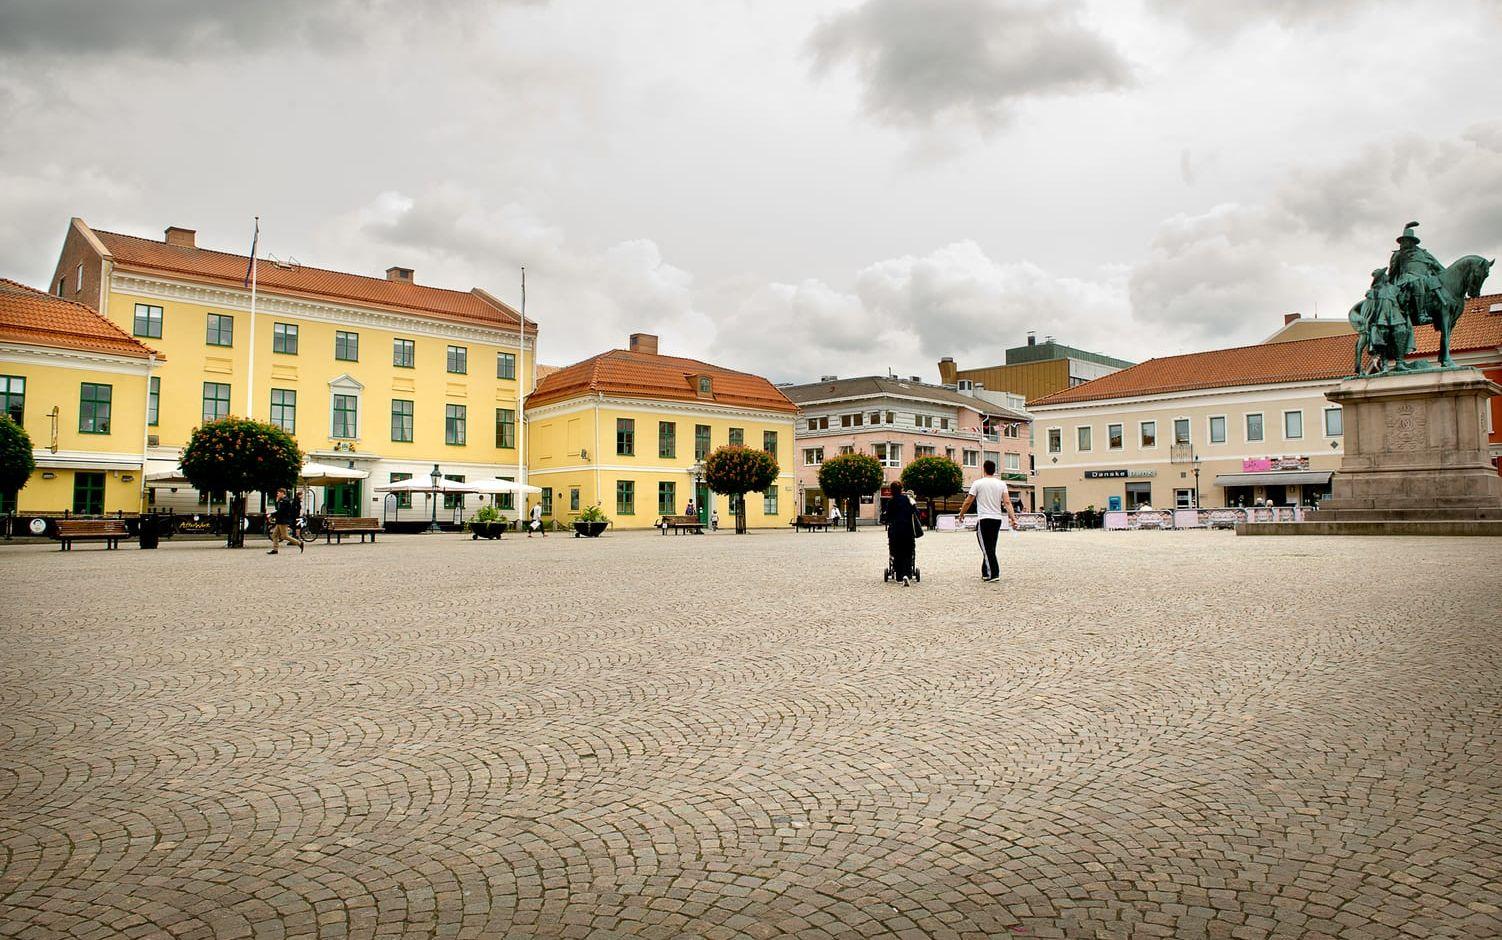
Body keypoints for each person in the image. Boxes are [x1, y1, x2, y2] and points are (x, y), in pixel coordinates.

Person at [954, 460, 1018, 583]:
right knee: (990, 546)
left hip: (984, 519)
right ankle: (985, 572)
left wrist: (961, 514)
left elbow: (968, 501)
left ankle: (994, 572)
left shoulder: (978, 483)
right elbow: (1007, 502)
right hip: (997, 519)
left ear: (984, 469)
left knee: (986, 547)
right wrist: (1013, 518)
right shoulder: (1001, 484)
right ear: (995, 470)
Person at [885, 480, 920, 586]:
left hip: (895, 531)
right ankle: (907, 574)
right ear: (901, 490)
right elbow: (916, 512)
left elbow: (887, 518)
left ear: (891, 490)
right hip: (908, 530)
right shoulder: (909, 499)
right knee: (908, 552)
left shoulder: (891, 502)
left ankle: (899, 575)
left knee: (896, 552)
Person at [267, 487, 304, 555]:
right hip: (280, 520)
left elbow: (280, 511)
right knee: (274, 535)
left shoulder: (285, 501)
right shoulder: (282, 500)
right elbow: (278, 509)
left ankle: (299, 543)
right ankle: (275, 550)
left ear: (282, 493)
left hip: (283, 521)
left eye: (278, 493)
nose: (277, 494)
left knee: (284, 536)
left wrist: (271, 514)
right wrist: (277, 501)